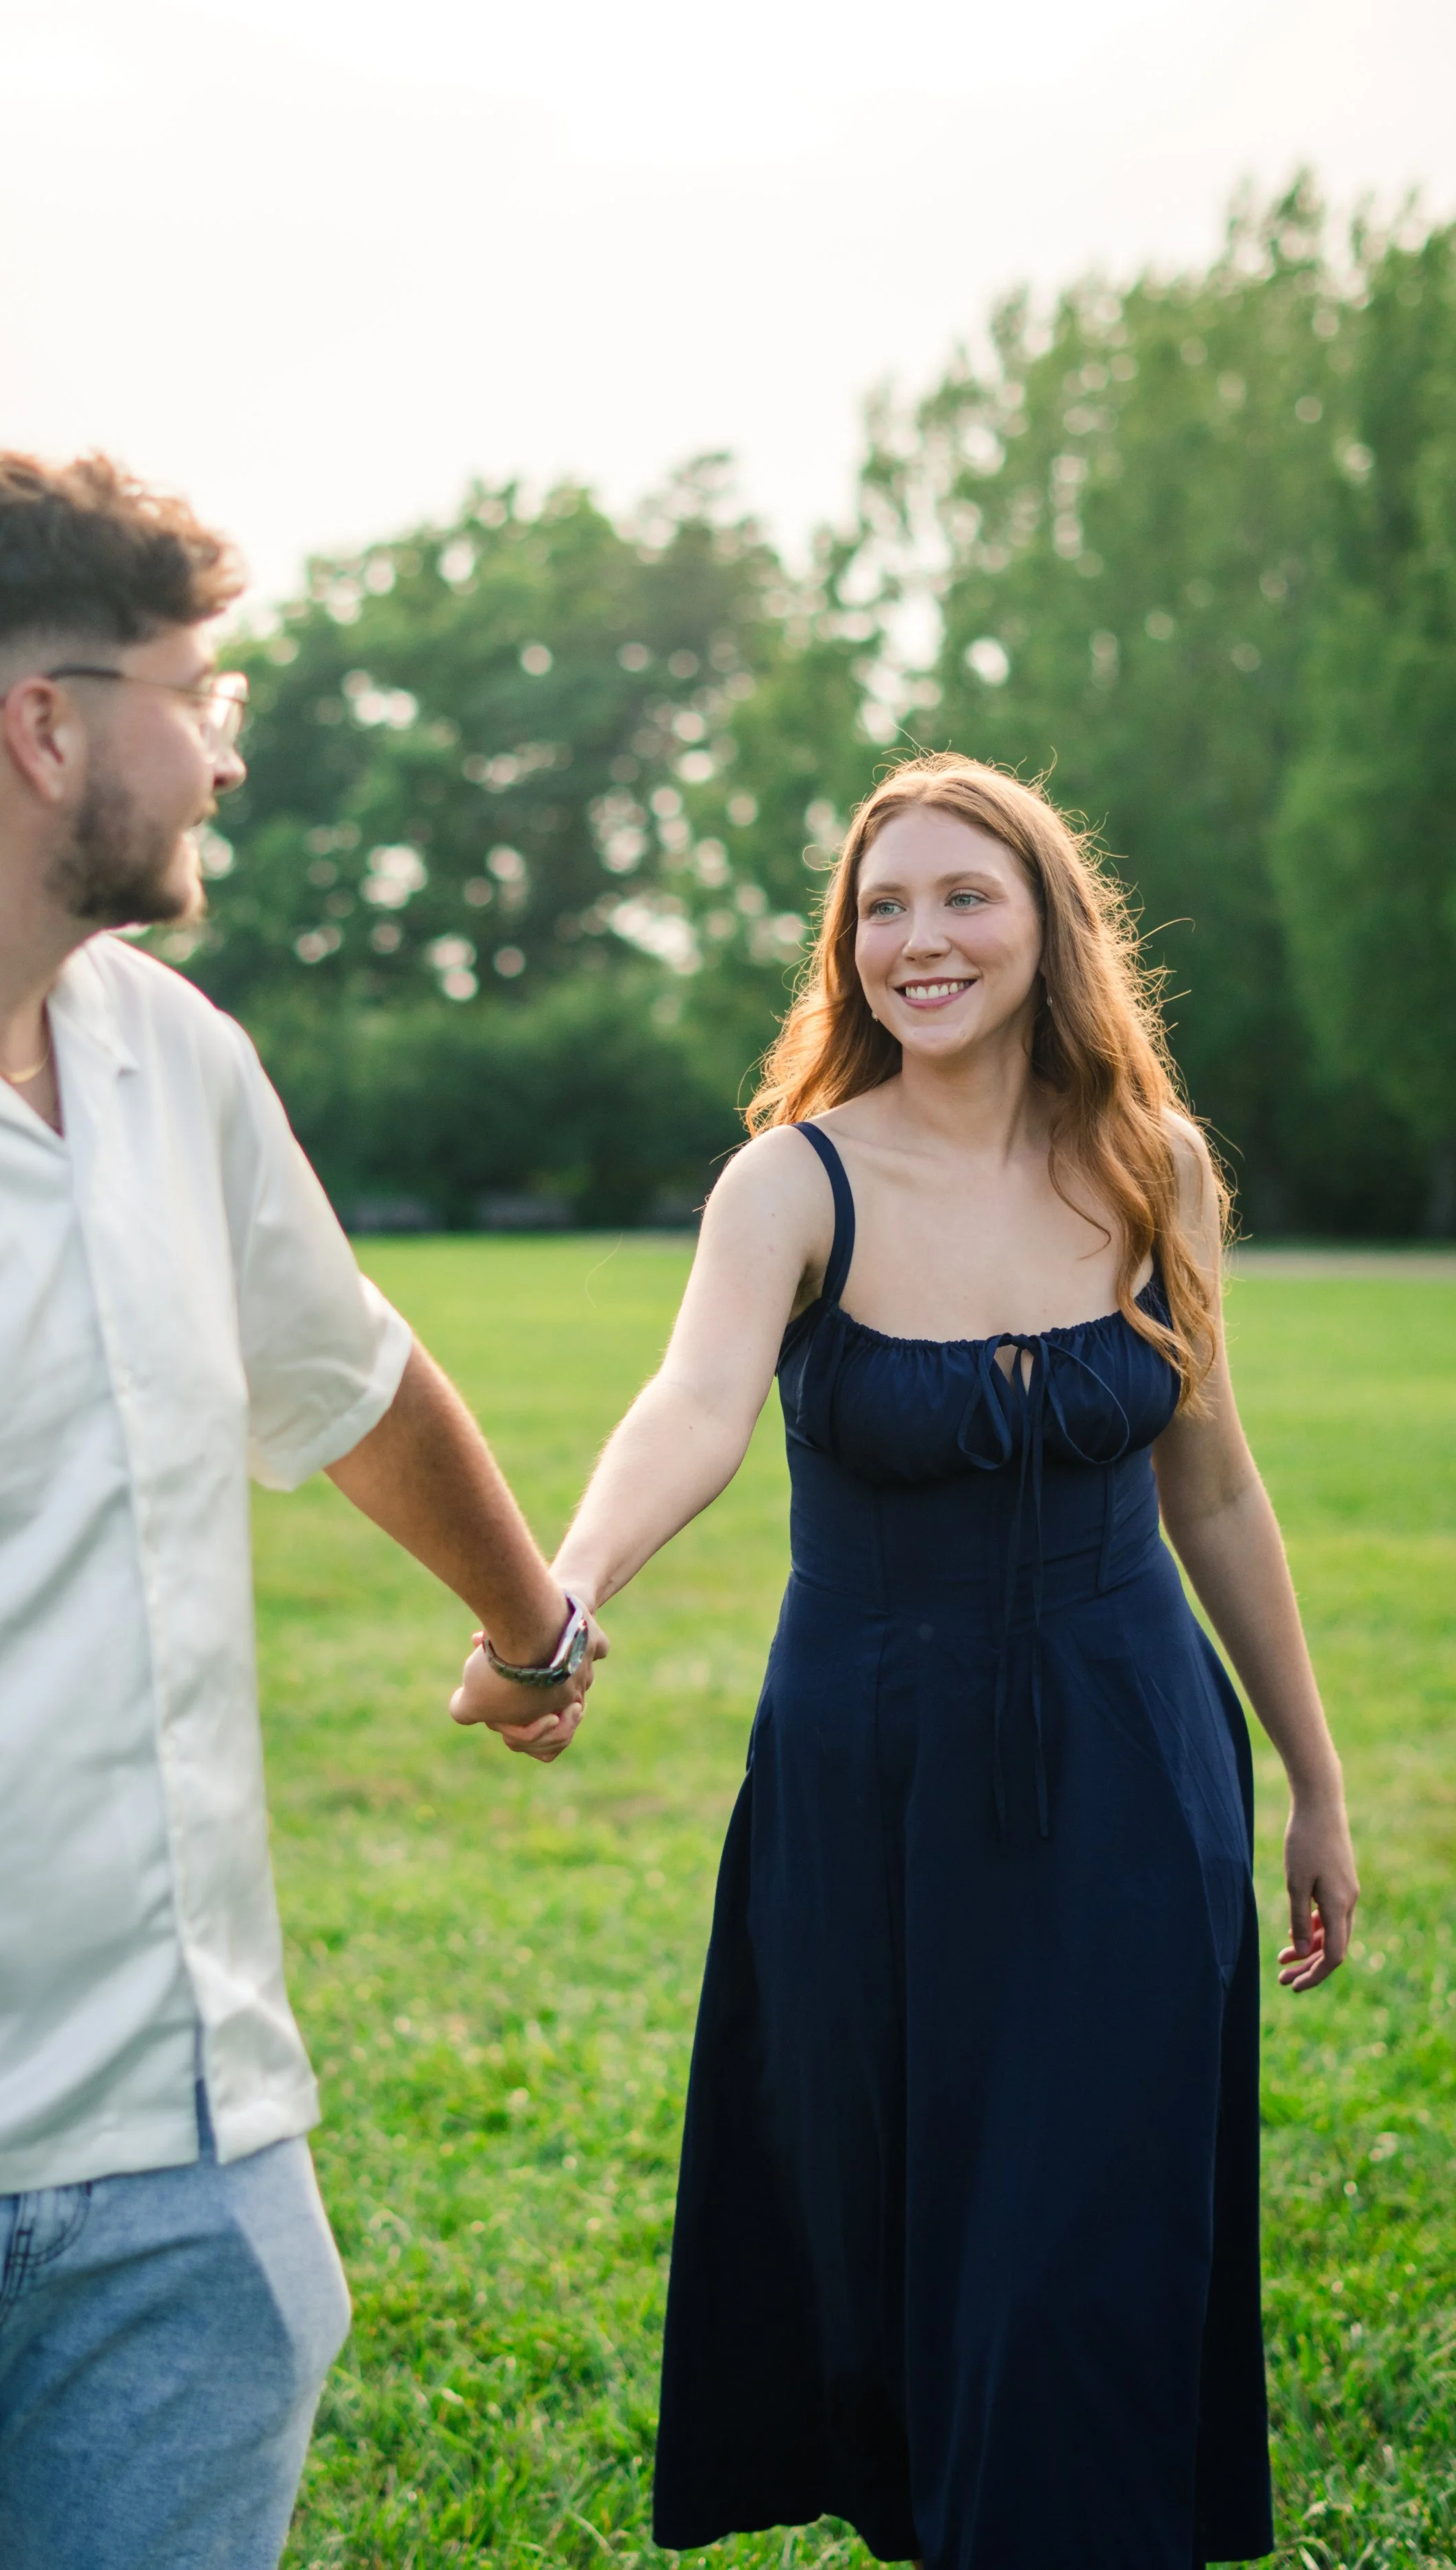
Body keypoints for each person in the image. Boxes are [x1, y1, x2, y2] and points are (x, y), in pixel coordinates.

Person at [0, 450, 595, 2570]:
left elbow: (352, 1373)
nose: (224, 749)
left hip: (190, 2175)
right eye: (198, 692)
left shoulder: (169, 1058)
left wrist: (530, 1627)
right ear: (49, 725)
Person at [467, 752, 1360, 2568]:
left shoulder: (1152, 1167)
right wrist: (561, 1592)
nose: (918, 937)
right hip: (870, 1782)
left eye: (964, 895)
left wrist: (1315, 1782)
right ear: (842, 943)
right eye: (881, 905)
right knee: (910, 2243)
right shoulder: (790, 1184)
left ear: (1048, 922)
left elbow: (1213, 1487)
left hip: (1132, 1769)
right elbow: (693, 1406)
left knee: (1081, 2244)